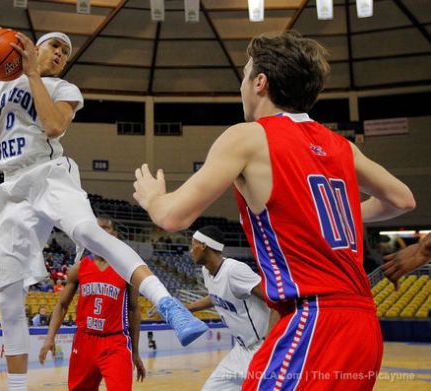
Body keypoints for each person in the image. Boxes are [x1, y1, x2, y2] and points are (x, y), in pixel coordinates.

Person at [132, 31, 416, 390]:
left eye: (245, 75)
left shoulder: (249, 136)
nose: (242, 86)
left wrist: (153, 198)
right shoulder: (340, 145)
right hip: (363, 326)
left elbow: (173, 217)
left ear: (260, 83)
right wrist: (335, 216)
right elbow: (402, 199)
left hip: (313, 322)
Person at [0, 27, 206, 391]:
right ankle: (16, 387)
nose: (61, 54)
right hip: (12, 186)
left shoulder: (64, 89)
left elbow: (54, 126)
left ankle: (168, 305)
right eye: (55, 46)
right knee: (8, 290)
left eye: (65, 52)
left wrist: (33, 74)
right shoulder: (3, 86)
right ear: (32, 47)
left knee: (90, 234)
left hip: (51, 174)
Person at [39, 217, 146, 391]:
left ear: (115, 234)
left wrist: (135, 351)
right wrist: (50, 338)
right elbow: (62, 306)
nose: (101, 231)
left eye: (106, 228)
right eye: (97, 228)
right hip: (84, 340)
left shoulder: (126, 268)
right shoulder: (79, 268)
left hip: (115, 341)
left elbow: (133, 310)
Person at [185, 226, 278, 390]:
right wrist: (188, 308)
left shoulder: (234, 270)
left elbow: (275, 300)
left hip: (260, 348)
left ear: (204, 246)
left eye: (193, 245)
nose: (191, 250)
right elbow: (216, 296)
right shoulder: (207, 272)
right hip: (240, 350)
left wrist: (270, 345)